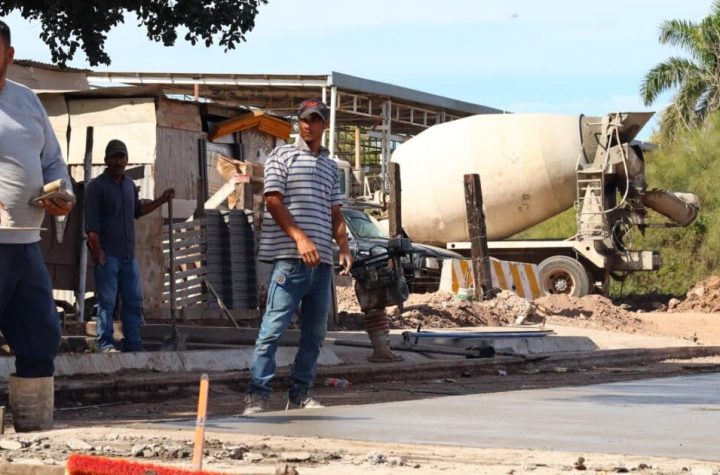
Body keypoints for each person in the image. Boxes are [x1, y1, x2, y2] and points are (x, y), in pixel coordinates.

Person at [243, 98, 352, 415]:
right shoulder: (282, 155)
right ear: (298, 122)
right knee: (272, 330)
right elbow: (273, 201)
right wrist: (300, 238)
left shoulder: (331, 166)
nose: (308, 124)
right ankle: (257, 394)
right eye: (304, 119)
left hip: (323, 263)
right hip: (291, 258)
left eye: (315, 119)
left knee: (315, 335)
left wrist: (343, 246)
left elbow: (335, 212)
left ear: (324, 125)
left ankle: (299, 394)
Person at [0, 19, 75, 431]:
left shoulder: (28, 102)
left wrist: (62, 193)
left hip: (26, 243)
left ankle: (32, 431)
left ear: (9, 56)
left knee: (40, 335)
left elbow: (53, 162)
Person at [84, 139, 174, 352]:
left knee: (133, 300)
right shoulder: (96, 188)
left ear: (126, 160)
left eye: (122, 157)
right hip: (107, 254)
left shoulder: (128, 186)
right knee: (107, 302)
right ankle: (105, 343)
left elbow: (138, 211)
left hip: (127, 255)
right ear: (106, 160)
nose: (118, 161)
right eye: (114, 157)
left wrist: (161, 200)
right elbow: (91, 226)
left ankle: (133, 342)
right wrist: (97, 250)